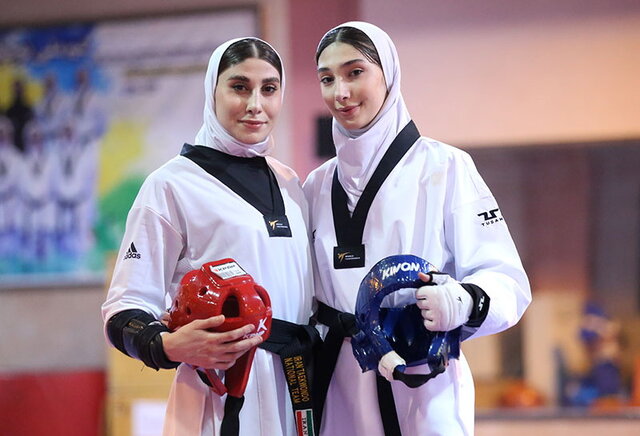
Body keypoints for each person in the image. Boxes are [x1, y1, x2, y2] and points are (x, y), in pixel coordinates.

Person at [303, 22, 531, 435]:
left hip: (422, 381)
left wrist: (463, 300)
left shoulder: (445, 167)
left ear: (388, 75)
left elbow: (509, 283)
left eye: (355, 72)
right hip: (337, 385)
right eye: (327, 78)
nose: (340, 92)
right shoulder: (316, 185)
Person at [102, 37, 315, 436]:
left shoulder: (291, 184)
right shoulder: (171, 185)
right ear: (211, 91)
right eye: (239, 87)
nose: (255, 104)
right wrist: (166, 345)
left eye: (269, 89)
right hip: (221, 392)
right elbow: (123, 310)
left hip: (297, 387)